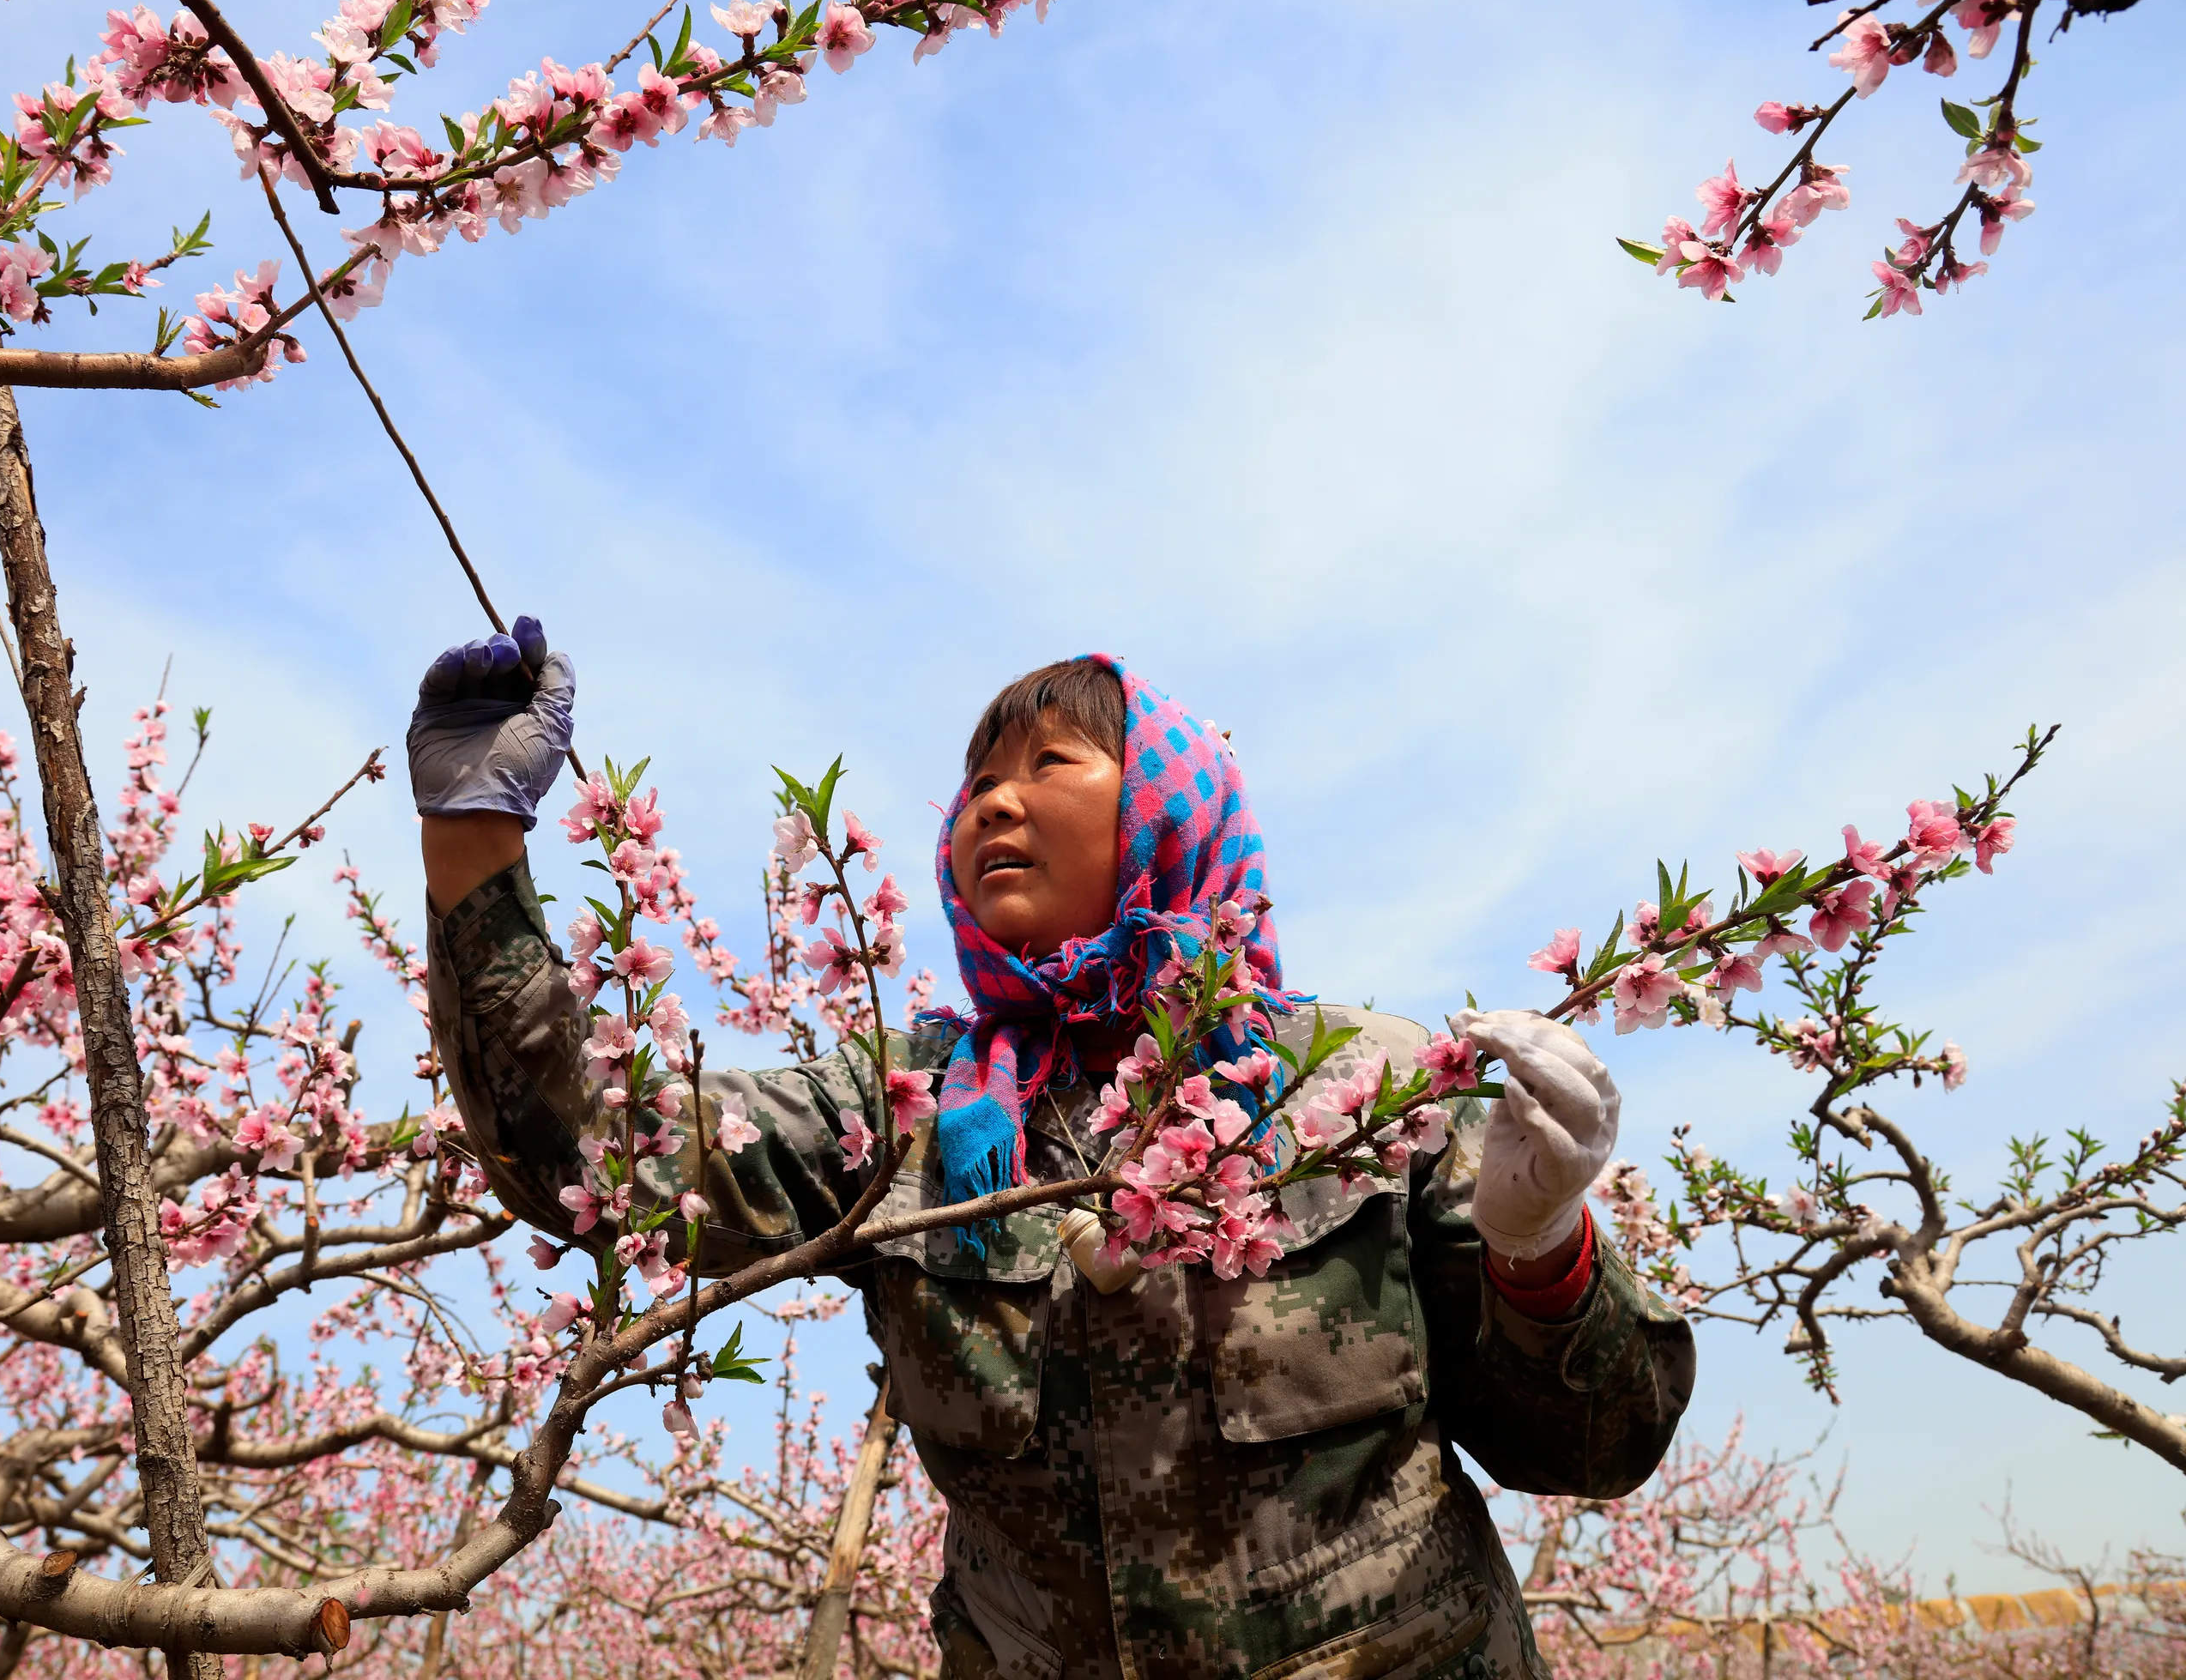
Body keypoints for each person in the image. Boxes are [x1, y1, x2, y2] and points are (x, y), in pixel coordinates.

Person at [410, 624, 1694, 1680]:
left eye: (1050, 762)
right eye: (976, 785)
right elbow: (588, 1160)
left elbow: (1597, 1447)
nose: (994, 803)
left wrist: (1542, 1257)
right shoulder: (905, 1105)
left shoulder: (1362, 1086)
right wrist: (474, 836)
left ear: (1167, 808)